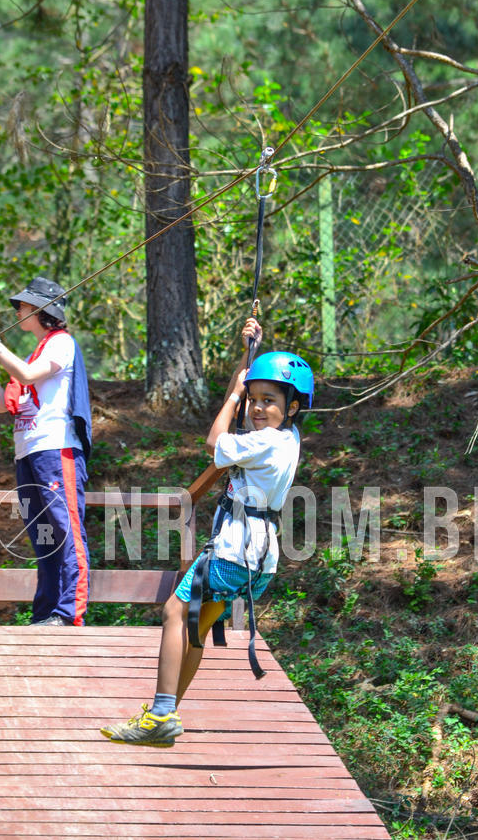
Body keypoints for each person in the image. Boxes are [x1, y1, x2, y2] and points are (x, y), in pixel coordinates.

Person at [100, 317, 313, 747]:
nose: (256, 408)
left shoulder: (265, 443)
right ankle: (163, 715)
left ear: (292, 407)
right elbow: (240, 426)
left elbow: (214, 443)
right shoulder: (284, 438)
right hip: (258, 558)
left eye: (268, 401)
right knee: (194, 628)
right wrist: (250, 352)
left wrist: (234, 393)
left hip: (234, 551)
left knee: (174, 614)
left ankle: (161, 711)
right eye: (253, 399)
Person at [0, 277, 92, 627]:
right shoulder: (36, 349)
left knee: (65, 529)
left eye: (23, 305)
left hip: (55, 449)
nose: (18, 310)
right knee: (42, 535)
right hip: (28, 453)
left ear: (40, 310)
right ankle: (47, 612)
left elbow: (29, 375)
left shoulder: (61, 343)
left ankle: (69, 613)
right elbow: (4, 404)